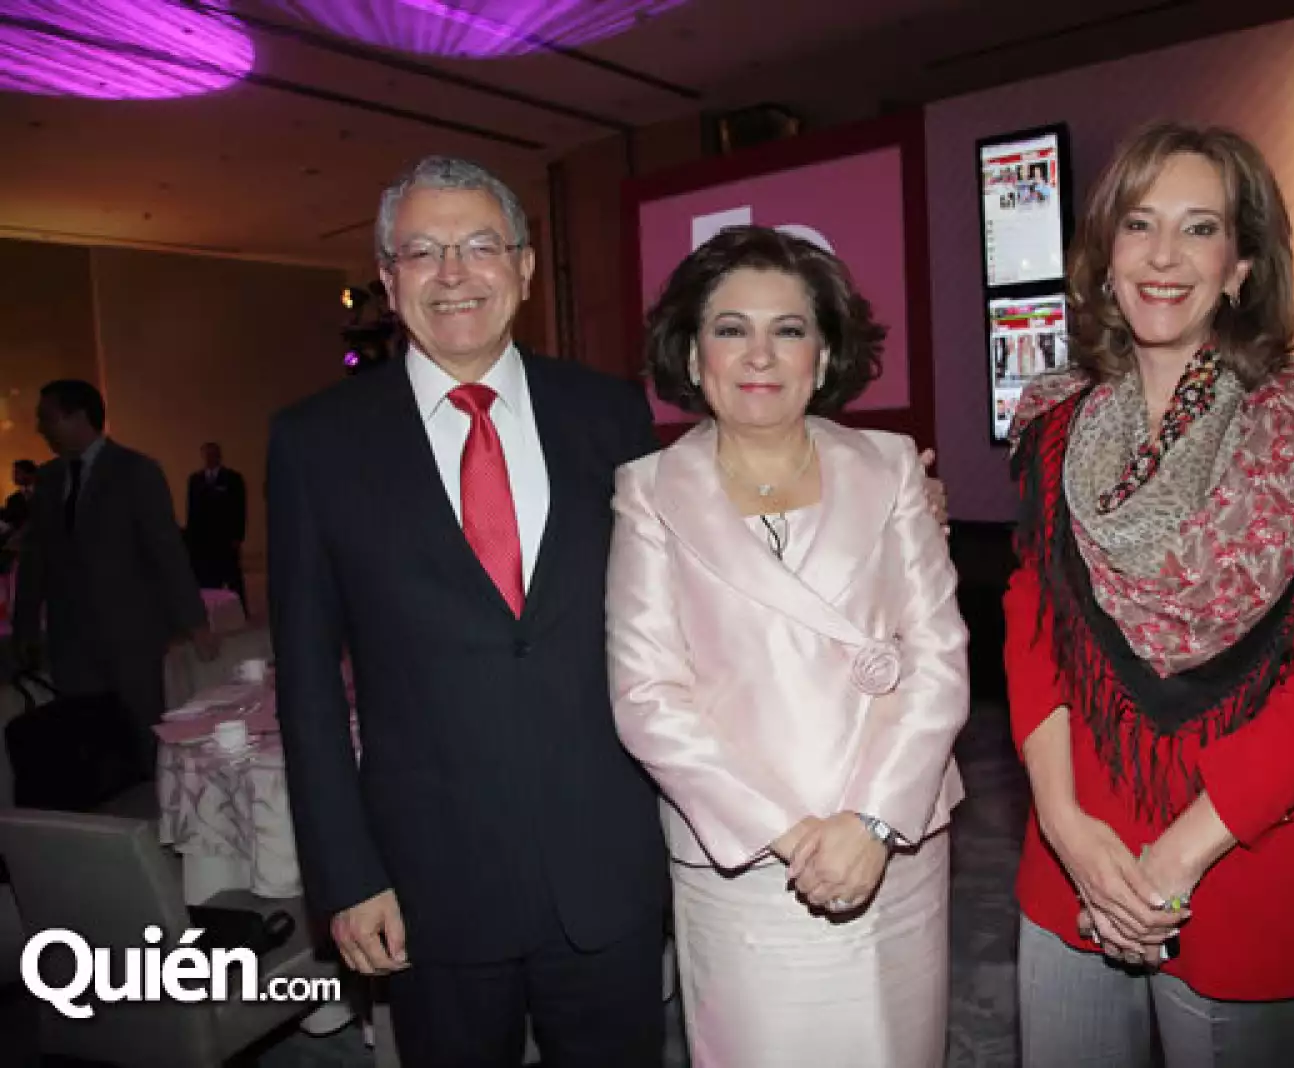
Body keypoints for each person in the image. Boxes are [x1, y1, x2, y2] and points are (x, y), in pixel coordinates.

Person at [267, 157, 953, 1066]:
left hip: (607, 868)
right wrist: (346, 878)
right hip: (432, 874)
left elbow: (718, 533)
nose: (455, 273)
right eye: (423, 252)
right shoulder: (316, 442)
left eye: (480, 246)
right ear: (389, 281)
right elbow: (308, 687)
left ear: (523, 266)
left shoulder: (605, 417)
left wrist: (893, 505)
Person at [1003, 122, 1294, 1067]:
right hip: (1075, 858)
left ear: (1243, 265)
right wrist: (1065, 825)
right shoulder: (1054, 424)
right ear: (1106, 256)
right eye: (1138, 225)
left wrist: (1174, 860)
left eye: (1199, 228)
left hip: (1239, 863)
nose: (1164, 256)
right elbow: (1032, 629)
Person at [606, 225, 969, 1067]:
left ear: (824, 351)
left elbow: (940, 657)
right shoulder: (649, 491)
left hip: (893, 835)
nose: (759, 355)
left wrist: (869, 823)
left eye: (789, 329)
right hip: (746, 859)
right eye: (730, 329)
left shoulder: (890, 467)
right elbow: (648, 697)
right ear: (694, 358)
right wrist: (793, 835)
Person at [12, 381, 218, 768]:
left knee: (144, 736)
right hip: (70, 641)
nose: (40, 427)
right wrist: (25, 626)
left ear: (79, 417)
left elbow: (166, 551)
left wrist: (194, 621)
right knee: (90, 745)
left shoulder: (135, 471)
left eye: (47, 418)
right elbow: (35, 559)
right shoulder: (49, 480)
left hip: (130, 637)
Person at [185, 441, 249, 613]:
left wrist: (238, 535)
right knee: (206, 577)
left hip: (226, 537)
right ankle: (208, 611)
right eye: (206, 454)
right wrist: (191, 540)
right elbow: (191, 511)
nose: (210, 458)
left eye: (213, 454)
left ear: (219, 456)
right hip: (204, 539)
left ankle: (241, 610)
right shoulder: (195, 480)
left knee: (232, 575)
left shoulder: (233, 479)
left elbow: (240, 508)